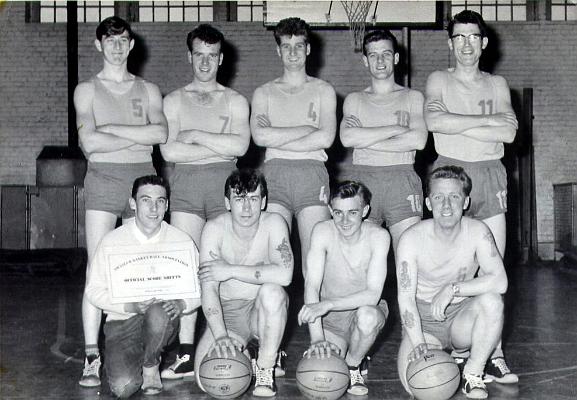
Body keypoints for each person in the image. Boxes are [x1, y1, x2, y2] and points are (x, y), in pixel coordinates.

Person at [424, 10, 518, 383]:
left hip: (489, 170)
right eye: (459, 37)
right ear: (450, 43)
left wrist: (458, 121)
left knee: (493, 268)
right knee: (449, 265)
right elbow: (434, 122)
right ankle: (452, 342)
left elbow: (509, 132)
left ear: (484, 43)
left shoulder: (497, 84)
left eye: (472, 37)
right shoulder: (438, 79)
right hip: (448, 172)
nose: (466, 44)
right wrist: (486, 123)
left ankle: (493, 353)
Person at [74, 16, 168, 387]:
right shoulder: (86, 90)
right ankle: (91, 355)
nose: (116, 46)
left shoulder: (148, 89)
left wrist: (110, 129)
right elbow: (89, 144)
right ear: (99, 45)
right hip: (101, 180)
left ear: (131, 45)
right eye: (109, 41)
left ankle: (148, 354)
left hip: (142, 180)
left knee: (145, 266)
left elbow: (159, 133)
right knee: (96, 268)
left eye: (123, 40)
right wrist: (135, 137)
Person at [160, 24, 250, 380]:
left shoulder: (235, 101)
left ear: (221, 59)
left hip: (223, 187)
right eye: (199, 55)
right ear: (190, 56)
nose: (205, 62)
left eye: (212, 56)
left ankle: (244, 339)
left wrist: (195, 135)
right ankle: (185, 351)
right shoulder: (173, 100)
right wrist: (219, 141)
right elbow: (169, 149)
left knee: (227, 266)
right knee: (188, 270)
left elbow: (240, 147)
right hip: (185, 188)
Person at [397, 166, 508, 399]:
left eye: (454, 197)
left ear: (466, 202)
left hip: (460, 317)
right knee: (417, 386)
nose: (446, 205)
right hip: (425, 323)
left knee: (492, 301)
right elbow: (405, 297)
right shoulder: (411, 239)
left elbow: (501, 282)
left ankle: (473, 372)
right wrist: (418, 343)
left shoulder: (479, 231)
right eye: (438, 197)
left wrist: (453, 288)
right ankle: (446, 355)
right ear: (428, 203)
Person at [85, 175, 201, 398]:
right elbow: (93, 291)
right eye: (146, 200)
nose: (153, 208)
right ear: (132, 204)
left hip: (160, 319)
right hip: (122, 322)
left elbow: (202, 286)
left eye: (160, 201)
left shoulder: (182, 240)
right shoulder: (112, 241)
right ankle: (139, 354)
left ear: (167, 205)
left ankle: (150, 365)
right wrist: (129, 306)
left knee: (158, 312)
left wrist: (183, 303)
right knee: (123, 387)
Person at [193, 169, 293, 397]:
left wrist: (229, 270)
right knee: (207, 381)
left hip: (261, 312)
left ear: (264, 201)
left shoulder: (275, 223)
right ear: (227, 202)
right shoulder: (214, 229)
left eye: (253, 199)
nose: (247, 208)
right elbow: (208, 290)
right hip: (228, 314)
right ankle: (251, 356)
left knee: (273, 292)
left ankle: (266, 367)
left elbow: (285, 275)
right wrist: (221, 336)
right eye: (239, 199)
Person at [250, 17, 337, 280]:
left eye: (299, 46)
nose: (293, 53)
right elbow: (259, 137)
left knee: (314, 260)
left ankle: (315, 322)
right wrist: (307, 129)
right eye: (286, 47)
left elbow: (326, 139)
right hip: (275, 175)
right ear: (278, 50)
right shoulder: (264, 93)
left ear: (308, 49)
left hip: (312, 174)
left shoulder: (323, 90)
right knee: (275, 259)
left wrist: (277, 135)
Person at [298, 181, 390, 396]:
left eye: (352, 212)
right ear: (330, 210)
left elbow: (373, 294)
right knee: (321, 373)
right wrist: (317, 338)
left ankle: (354, 364)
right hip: (330, 318)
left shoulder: (379, 236)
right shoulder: (322, 231)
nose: (345, 220)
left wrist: (327, 304)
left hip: (360, 310)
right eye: (338, 212)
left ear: (365, 210)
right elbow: (311, 284)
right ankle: (343, 352)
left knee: (368, 316)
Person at [340, 29, 427, 251]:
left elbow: (418, 140)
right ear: (365, 61)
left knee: (408, 257)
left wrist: (365, 138)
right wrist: (395, 129)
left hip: (402, 178)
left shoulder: (413, 97)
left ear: (396, 58)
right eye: (373, 55)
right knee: (361, 260)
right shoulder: (355, 99)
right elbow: (347, 137)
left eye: (386, 54)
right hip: (363, 180)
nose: (380, 61)